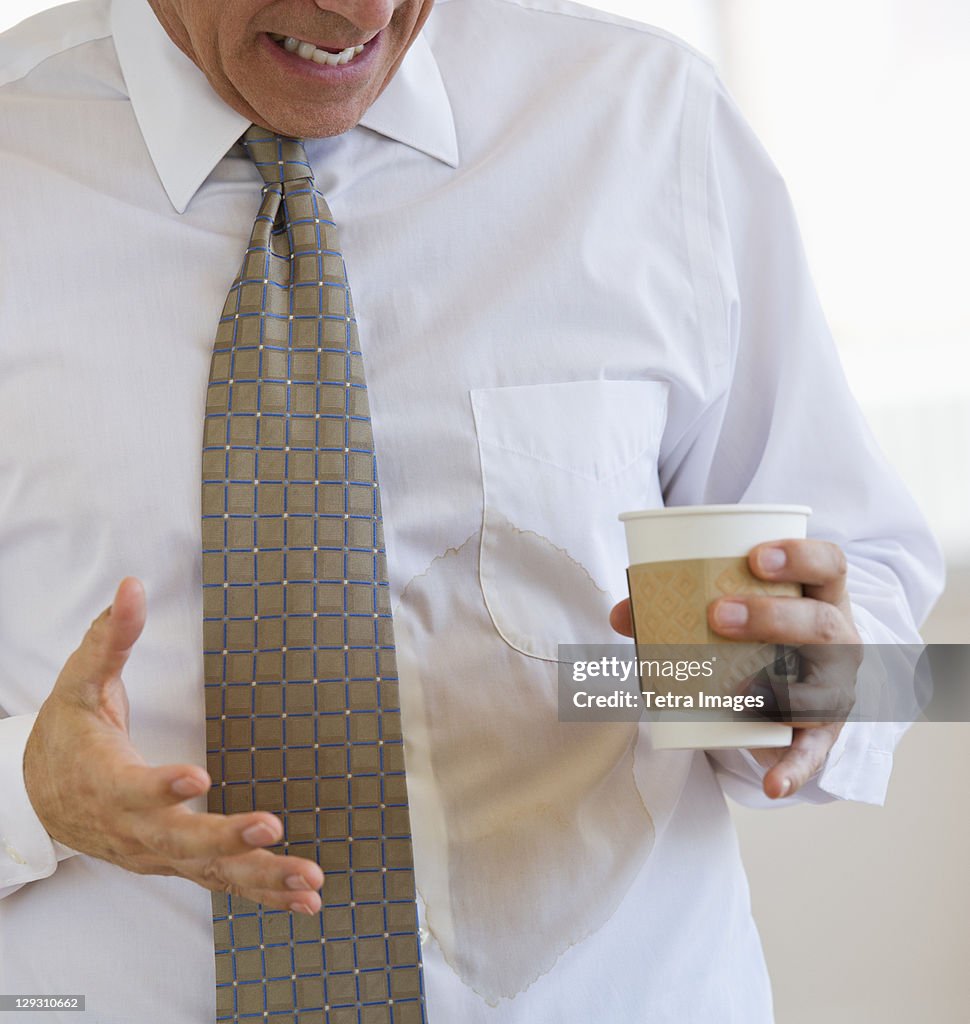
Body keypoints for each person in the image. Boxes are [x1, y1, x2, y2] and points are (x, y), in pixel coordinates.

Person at [0, 0, 943, 1021]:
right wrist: (31, 793)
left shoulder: (646, 122)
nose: (358, 12)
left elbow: (870, 607)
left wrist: (803, 686)